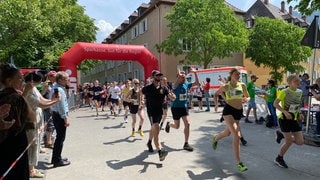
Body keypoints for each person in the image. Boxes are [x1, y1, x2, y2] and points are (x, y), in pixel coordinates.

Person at [0, 63, 36, 179]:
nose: (22, 80)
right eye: (19, 78)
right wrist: (25, 94)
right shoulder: (16, 97)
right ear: (9, 81)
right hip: (15, 143)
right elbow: (32, 117)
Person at [212, 68, 249, 172]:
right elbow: (216, 94)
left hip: (238, 111)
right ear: (231, 75)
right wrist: (216, 104)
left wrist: (246, 99)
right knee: (236, 135)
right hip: (228, 111)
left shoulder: (242, 85)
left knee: (227, 133)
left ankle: (215, 138)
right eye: (236, 74)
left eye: (239, 74)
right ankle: (239, 163)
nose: (238, 76)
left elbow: (248, 96)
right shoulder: (226, 86)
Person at [24, 71, 58, 178]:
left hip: (37, 117)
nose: (41, 82)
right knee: (32, 145)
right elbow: (41, 104)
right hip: (31, 120)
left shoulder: (33, 88)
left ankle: (32, 167)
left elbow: (42, 99)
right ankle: (31, 170)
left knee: (37, 142)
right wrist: (55, 102)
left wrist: (52, 100)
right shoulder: (27, 90)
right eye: (40, 80)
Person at [142, 70, 176, 161]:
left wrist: (173, 97)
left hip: (159, 112)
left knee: (153, 128)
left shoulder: (164, 88)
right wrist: (141, 101)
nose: (159, 77)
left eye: (160, 75)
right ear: (153, 77)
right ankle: (160, 152)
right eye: (157, 76)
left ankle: (149, 142)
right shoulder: (147, 88)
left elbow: (170, 96)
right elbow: (140, 93)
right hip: (151, 112)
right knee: (156, 129)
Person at [165, 68, 199, 152]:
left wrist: (195, 73)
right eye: (181, 77)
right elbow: (175, 84)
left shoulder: (186, 84)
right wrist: (179, 76)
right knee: (177, 126)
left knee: (188, 124)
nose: (183, 78)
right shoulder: (175, 85)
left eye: (184, 77)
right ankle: (169, 124)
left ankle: (186, 143)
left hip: (184, 108)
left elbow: (197, 83)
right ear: (178, 78)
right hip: (175, 108)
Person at [273, 75, 304, 168]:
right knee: (289, 141)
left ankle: (281, 135)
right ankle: (279, 158)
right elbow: (275, 104)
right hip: (284, 118)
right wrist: (285, 112)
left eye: (299, 81)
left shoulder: (300, 92)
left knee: (300, 141)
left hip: (293, 118)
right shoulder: (284, 91)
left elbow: (296, 105)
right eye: (295, 81)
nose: (298, 83)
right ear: (289, 82)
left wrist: (300, 113)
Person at [50, 71, 71, 167]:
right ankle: (57, 160)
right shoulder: (59, 89)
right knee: (60, 138)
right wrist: (65, 118)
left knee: (59, 138)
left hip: (56, 114)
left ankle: (56, 157)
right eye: (66, 79)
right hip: (59, 115)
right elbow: (61, 105)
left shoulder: (57, 87)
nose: (68, 81)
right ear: (60, 80)